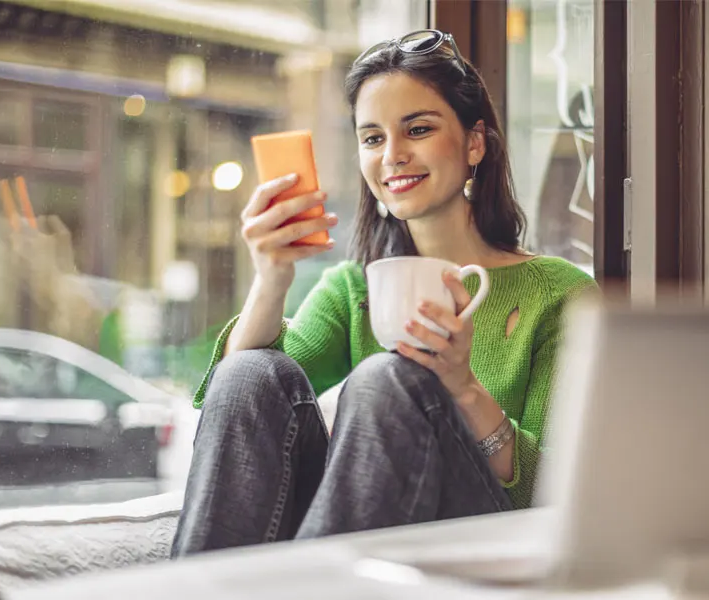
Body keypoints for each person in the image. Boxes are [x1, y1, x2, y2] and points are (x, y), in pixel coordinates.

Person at [171, 29, 597, 557]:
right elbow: (236, 405)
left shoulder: (560, 295)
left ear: (474, 142)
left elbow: (558, 494)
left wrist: (463, 388)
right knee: (249, 370)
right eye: (373, 138)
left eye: (417, 129)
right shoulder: (354, 288)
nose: (392, 155)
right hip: (375, 542)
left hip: (488, 548)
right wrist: (271, 278)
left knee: (386, 377)